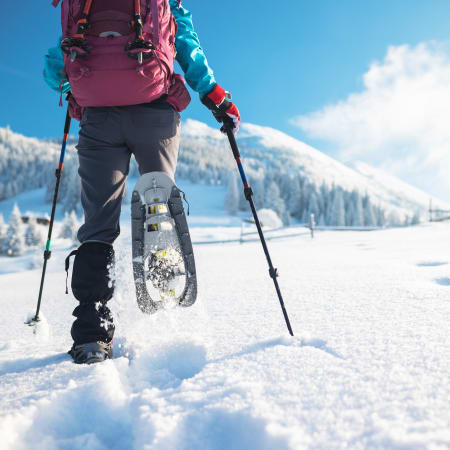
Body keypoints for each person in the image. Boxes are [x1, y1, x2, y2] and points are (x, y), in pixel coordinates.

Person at [43, 0, 240, 364]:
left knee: (98, 227)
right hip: (154, 112)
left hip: (99, 119)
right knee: (160, 204)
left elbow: (54, 68)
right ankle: (166, 296)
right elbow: (186, 45)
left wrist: (77, 86)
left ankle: (91, 332)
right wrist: (213, 94)